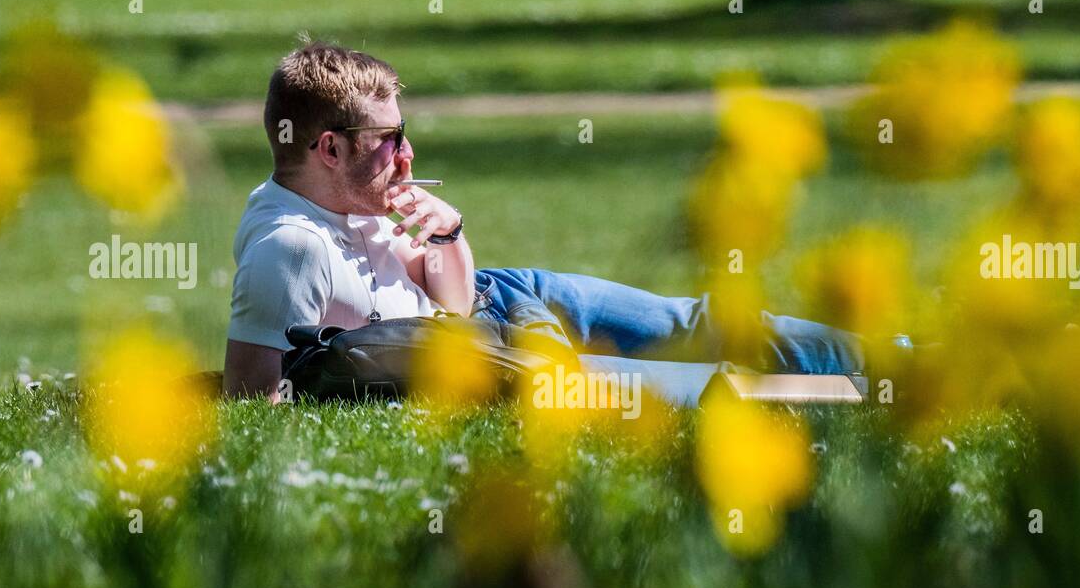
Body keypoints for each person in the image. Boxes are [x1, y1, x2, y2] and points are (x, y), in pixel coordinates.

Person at [223, 41, 874, 405]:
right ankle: (867, 394)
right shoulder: (288, 250)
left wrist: (445, 237)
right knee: (693, 385)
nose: (409, 155)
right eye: (391, 138)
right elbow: (253, 399)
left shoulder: (356, 195)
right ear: (329, 150)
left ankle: (897, 362)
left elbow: (451, 292)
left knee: (698, 324)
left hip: (507, 298)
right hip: (497, 357)